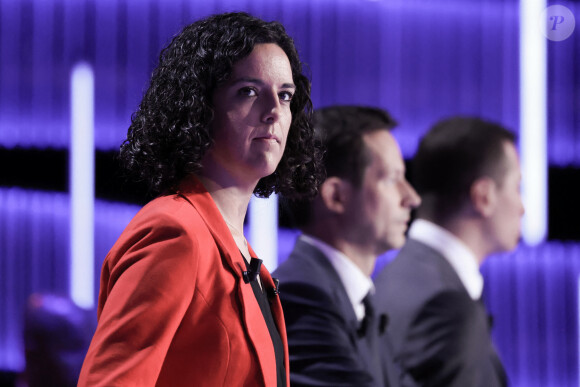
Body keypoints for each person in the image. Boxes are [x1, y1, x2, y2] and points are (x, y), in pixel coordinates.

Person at [78, 12, 323, 387]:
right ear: (198, 107)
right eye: (249, 91)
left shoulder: (238, 251)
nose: (275, 111)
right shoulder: (175, 233)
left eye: (285, 95)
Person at [273, 105, 421, 387]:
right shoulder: (302, 295)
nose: (411, 197)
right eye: (392, 179)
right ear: (336, 196)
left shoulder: (356, 298)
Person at [375, 117, 524, 387]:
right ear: (484, 196)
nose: (522, 207)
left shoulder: (397, 277)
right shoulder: (446, 306)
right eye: (516, 187)